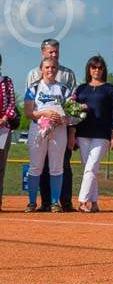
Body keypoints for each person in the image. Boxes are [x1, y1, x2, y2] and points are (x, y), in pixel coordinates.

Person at [25, 38, 76, 212]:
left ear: (57, 69)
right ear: (41, 69)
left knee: (56, 166)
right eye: (47, 67)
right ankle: (32, 202)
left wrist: (64, 119)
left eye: (53, 67)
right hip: (38, 129)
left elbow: (71, 112)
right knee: (36, 166)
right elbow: (28, 112)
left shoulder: (63, 89)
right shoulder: (33, 88)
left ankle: (55, 202)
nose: (50, 70)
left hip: (59, 131)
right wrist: (44, 114)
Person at [72, 56, 113, 213]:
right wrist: (72, 132)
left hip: (102, 134)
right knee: (88, 169)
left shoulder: (110, 89)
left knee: (91, 167)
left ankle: (82, 201)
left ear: (103, 70)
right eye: (93, 67)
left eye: (100, 68)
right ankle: (94, 203)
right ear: (89, 69)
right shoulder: (81, 89)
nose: (97, 70)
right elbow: (73, 112)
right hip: (83, 132)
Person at [0, 53, 19, 212]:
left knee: (0, 167)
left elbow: (12, 103)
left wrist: (5, 118)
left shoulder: (6, 82)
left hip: (3, 128)